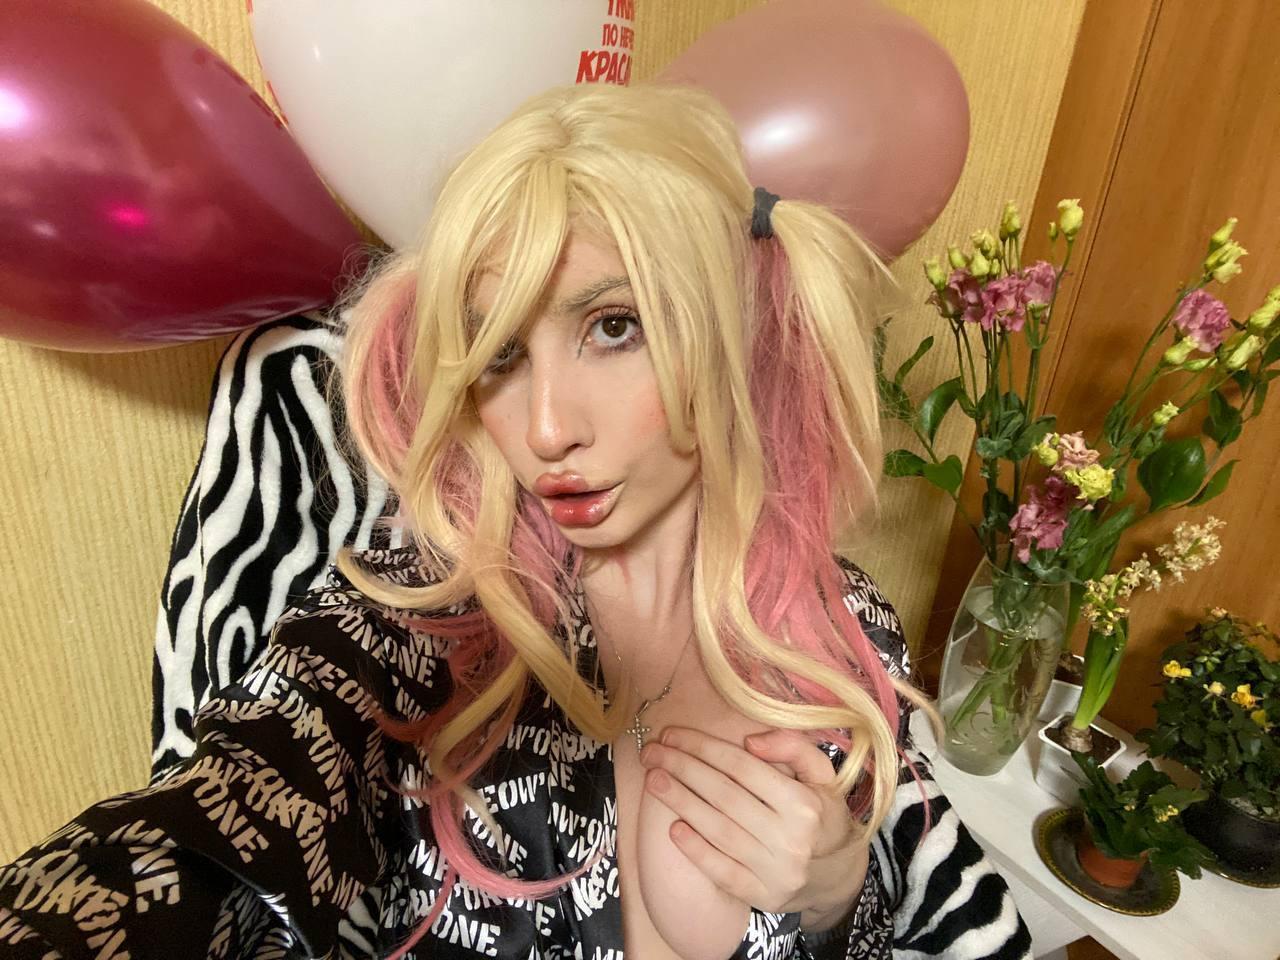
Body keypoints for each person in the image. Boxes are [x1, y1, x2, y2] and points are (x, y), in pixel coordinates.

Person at [0, 82, 1032, 959]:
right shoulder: (413, 628)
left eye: (613, 327)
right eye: (498, 353)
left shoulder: (840, 631)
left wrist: (833, 895)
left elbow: (913, 908)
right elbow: (222, 823)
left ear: (731, 333)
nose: (543, 430)